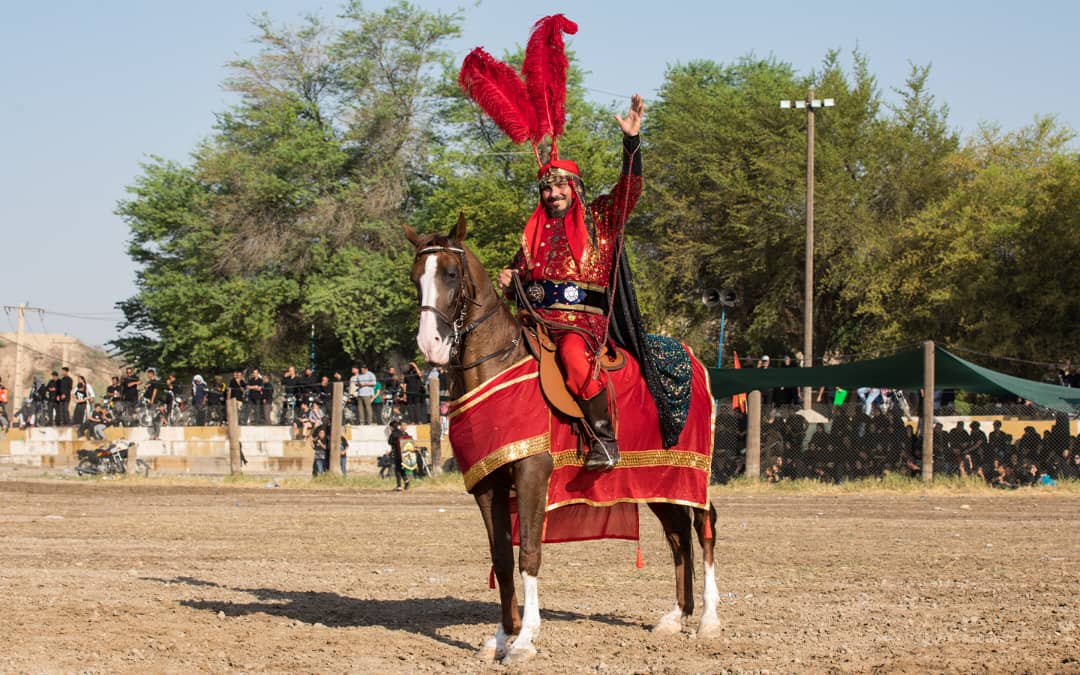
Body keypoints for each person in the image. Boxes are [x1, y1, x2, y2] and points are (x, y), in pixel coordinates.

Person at [496, 93, 644, 470]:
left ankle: (604, 440)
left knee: (574, 361)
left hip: (579, 325)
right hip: (534, 324)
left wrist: (631, 143)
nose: (552, 193)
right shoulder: (532, 234)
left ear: (573, 187)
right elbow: (520, 283)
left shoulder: (600, 219)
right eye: (546, 187)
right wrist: (510, 280)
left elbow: (630, 190)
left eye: (560, 185)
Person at [387, 419, 412, 491]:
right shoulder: (401, 433)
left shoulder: (393, 434)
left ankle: (399, 486)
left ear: (392, 427)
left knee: (397, 469)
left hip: (397, 454)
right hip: (404, 454)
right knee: (401, 468)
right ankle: (406, 481)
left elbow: (390, 442)